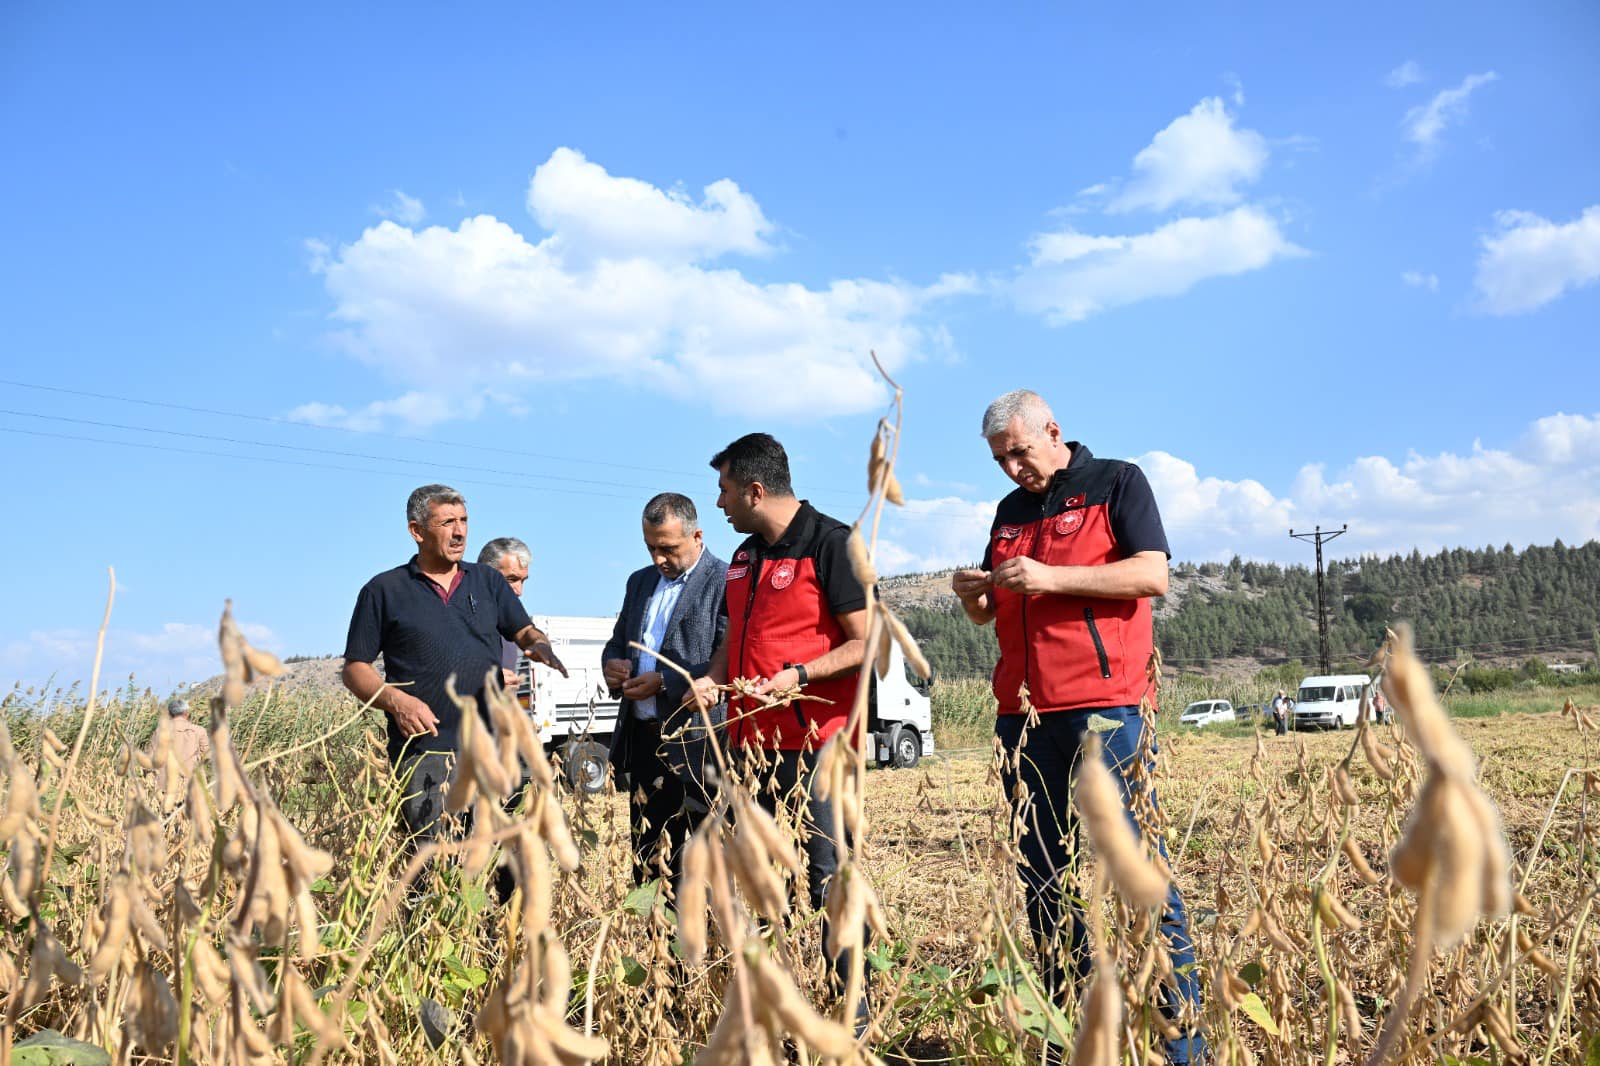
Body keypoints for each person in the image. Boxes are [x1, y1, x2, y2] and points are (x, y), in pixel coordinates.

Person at [949, 390, 1204, 1064]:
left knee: (1138, 878)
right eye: (1000, 459)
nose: (1011, 470)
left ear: (1053, 431)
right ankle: (1077, 1040)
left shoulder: (1117, 481)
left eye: (1019, 453)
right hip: (1024, 719)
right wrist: (975, 597)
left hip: (1104, 712)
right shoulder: (1008, 513)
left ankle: (1183, 1047)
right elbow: (994, 613)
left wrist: (1052, 577)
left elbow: (1153, 575)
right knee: (1045, 884)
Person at [688, 433, 869, 1006]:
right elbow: (731, 640)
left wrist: (799, 676)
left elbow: (867, 643)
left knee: (828, 878)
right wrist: (714, 678)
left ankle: (853, 1014)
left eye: (724, 491)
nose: (718, 504)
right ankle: (774, 1008)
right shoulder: (743, 558)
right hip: (750, 751)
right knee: (758, 881)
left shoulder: (834, 544)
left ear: (754, 491)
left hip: (819, 747)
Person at [342, 484, 568, 847]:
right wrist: (399, 702)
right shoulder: (384, 591)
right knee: (431, 865)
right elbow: (355, 669)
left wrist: (537, 643)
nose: (460, 531)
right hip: (426, 754)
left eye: (463, 520)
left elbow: (522, 629)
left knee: (502, 862)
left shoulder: (487, 580)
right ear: (417, 531)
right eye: (447, 522)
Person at [601, 493, 728, 891]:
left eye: (668, 548)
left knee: (704, 855)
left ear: (697, 536)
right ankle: (656, 944)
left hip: (697, 743)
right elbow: (618, 641)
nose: (658, 558)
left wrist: (666, 682)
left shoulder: (724, 581)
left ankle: (706, 942)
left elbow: (727, 660)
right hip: (644, 743)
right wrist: (613, 663)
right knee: (649, 853)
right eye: (651, 547)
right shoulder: (639, 582)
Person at [478, 537, 534, 689]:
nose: (519, 591)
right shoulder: (459, 619)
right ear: (485, 574)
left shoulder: (511, 628)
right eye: (512, 579)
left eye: (523, 581)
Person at [149, 696, 210, 774]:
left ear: (169, 714)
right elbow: (206, 756)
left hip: (166, 780)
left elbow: (151, 758)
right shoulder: (199, 730)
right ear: (187, 713)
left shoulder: (160, 731)